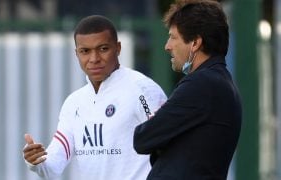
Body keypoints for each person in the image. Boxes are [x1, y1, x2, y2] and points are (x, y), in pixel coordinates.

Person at [22, 15, 167, 180]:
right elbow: (53, 167)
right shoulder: (74, 103)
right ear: (76, 53)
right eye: (85, 51)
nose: (94, 59)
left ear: (118, 48)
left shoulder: (143, 89)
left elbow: (168, 146)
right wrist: (36, 162)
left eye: (103, 49)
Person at [133, 0, 242, 179]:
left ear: (195, 43)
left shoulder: (201, 84)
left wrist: (159, 129)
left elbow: (143, 139)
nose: (167, 46)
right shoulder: (220, 83)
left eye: (173, 37)